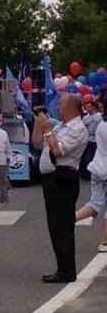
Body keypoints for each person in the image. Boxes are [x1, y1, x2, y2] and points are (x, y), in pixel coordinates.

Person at [33, 94, 88, 283]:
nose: (57, 107)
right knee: (54, 225)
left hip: (63, 179)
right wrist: (39, 123)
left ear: (72, 108)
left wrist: (48, 129)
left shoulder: (78, 129)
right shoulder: (61, 126)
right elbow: (37, 143)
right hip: (51, 179)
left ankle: (67, 270)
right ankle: (62, 266)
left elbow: (58, 150)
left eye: (61, 104)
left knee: (62, 225)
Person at [74, 106, 107, 252]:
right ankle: (104, 241)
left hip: (97, 166)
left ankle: (67, 221)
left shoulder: (101, 124)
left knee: (95, 202)